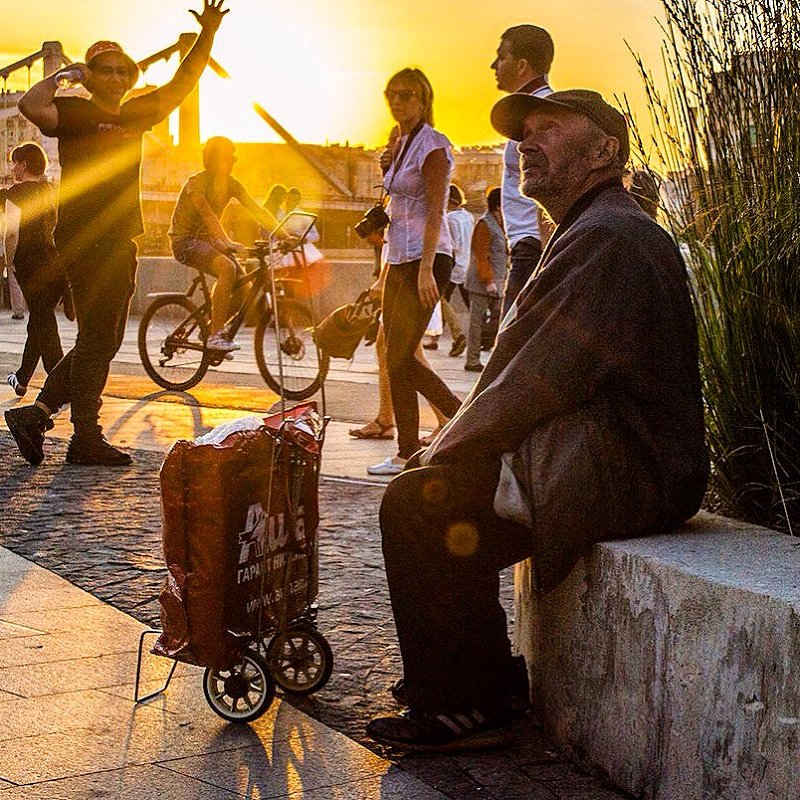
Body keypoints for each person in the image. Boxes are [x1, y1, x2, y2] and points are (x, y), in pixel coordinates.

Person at [366, 89, 709, 752]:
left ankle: (464, 706)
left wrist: (442, 451)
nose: (528, 140)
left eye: (549, 127)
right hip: (620, 453)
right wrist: (456, 444)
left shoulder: (607, 236)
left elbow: (535, 376)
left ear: (606, 150)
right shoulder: (600, 225)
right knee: (443, 496)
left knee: (420, 505)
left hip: (630, 465)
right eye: (525, 131)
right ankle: (482, 681)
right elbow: (530, 373)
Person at [5, 0, 230, 467]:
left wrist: (207, 34)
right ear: (92, 74)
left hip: (121, 238)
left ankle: (40, 413)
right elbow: (30, 104)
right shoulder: (73, 112)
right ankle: (84, 436)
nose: (111, 76)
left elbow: (182, 84)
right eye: (101, 69)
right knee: (96, 338)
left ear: (128, 76)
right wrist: (68, 75)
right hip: (84, 241)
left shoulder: (137, 113)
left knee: (100, 340)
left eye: (118, 70)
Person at [365, 68, 462, 477]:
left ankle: (461, 419)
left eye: (406, 95)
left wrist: (426, 270)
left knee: (402, 356)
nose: (398, 101)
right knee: (392, 355)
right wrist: (386, 163)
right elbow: (397, 207)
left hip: (428, 259)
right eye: (392, 94)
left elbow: (437, 209)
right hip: (399, 258)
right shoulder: (398, 141)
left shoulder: (433, 146)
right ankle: (406, 453)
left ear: (423, 99)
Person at [169, 136, 281, 352]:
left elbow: (257, 209)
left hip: (209, 241)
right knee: (226, 268)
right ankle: (215, 337)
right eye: (228, 158)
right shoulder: (197, 183)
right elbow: (208, 213)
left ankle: (211, 328)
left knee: (245, 293)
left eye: (233, 158)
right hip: (185, 241)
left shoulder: (231, 184)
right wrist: (226, 241)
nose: (232, 162)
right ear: (213, 160)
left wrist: (285, 234)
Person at [491, 24, 554, 319]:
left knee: (509, 349)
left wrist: (546, 257)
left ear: (521, 65)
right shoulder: (542, 109)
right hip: (531, 247)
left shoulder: (538, 114)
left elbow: (547, 187)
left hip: (532, 248)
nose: (493, 65)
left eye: (501, 57)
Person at [4, 143, 65, 399]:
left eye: (14, 162)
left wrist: (9, 261)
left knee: (45, 325)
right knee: (39, 322)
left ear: (24, 164)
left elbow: (11, 232)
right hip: (56, 263)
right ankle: (22, 378)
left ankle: (63, 384)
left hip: (30, 263)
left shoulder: (16, 193)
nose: (12, 167)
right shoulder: (53, 190)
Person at [463, 186, 507, 372]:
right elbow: (481, 255)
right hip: (482, 283)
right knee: (476, 323)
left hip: (498, 281)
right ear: (498, 206)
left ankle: (495, 358)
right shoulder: (484, 224)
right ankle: (472, 359)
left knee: (500, 321)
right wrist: (488, 281)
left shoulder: (501, 224)